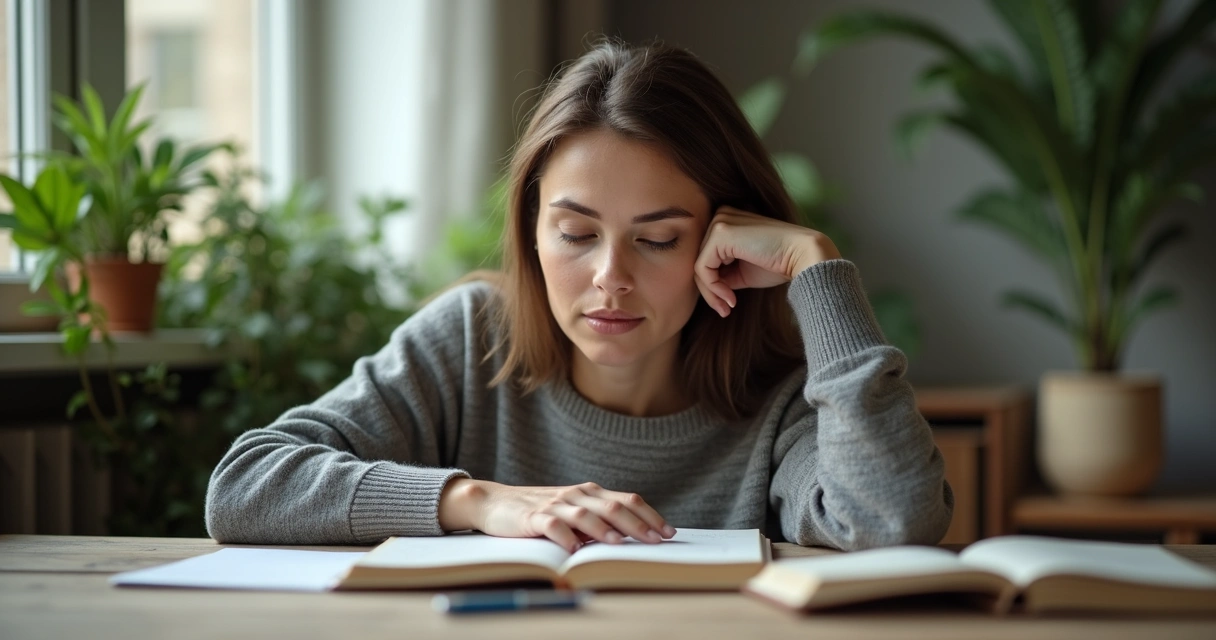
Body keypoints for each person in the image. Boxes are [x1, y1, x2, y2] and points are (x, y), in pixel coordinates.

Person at [205, 40, 953, 552]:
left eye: (657, 239)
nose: (610, 279)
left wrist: (813, 265)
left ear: (722, 240)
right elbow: (245, 485)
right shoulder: (472, 338)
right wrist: (484, 502)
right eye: (575, 233)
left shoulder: (781, 400)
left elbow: (891, 520)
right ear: (532, 229)